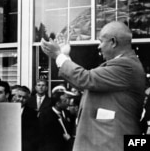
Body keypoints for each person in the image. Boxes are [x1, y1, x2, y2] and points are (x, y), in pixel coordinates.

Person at [41, 21, 146, 151]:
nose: (99, 47)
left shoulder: (126, 66)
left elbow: (86, 79)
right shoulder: (125, 65)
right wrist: (66, 56)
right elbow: (88, 84)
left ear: (113, 42)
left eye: (101, 41)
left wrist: (58, 55)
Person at [14, 85, 39, 151]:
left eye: (24, 97)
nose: (21, 99)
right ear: (15, 96)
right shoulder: (7, 110)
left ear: (27, 99)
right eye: (19, 96)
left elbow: (33, 134)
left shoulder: (33, 113)